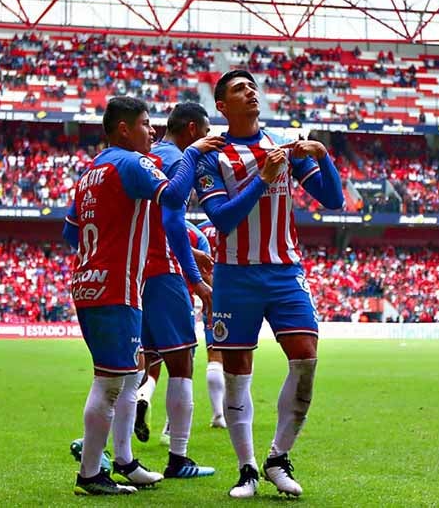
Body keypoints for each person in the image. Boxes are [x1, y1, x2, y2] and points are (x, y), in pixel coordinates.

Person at [194, 70, 344, 498]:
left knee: (306, 358)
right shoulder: (213, 155)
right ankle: (247, 470)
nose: (251, 92)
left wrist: (322, 156)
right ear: (222, 106)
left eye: (252, 87)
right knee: (238, 371)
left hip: (283, 271)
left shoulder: (282, 148)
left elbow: (332, 199)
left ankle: (278, 457)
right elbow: (221, 218)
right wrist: (261, 179)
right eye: (240, 89)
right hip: (234, 273)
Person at [62, 97, 223, 496]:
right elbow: (171, 199)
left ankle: (124, 461)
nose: (151, 131)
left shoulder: (89, 173)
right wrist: (193, 156)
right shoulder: (134, 163)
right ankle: (90, 474)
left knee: (121, 376)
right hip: (118, 285)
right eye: (145, 124)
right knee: (111, 384)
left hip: (88, 281)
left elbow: (70, 233)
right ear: (123, 129)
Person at [126, 101, 215, 478]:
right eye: (208, 132)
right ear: (193, 129)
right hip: (163, 273)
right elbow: (173, 221)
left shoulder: (142, 158)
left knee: (131, 366)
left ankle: (107, 445)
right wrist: (194, 275)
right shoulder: (181, 161)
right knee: (181, 363)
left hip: (133, 274)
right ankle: (178, 458)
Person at [195, 218, 226, 429]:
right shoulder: (236, 220)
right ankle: (235, 408)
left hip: (211, 295)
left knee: (214, 354)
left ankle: (219, 414)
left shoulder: (200, 230)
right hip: (240, 291)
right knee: (242, 354)